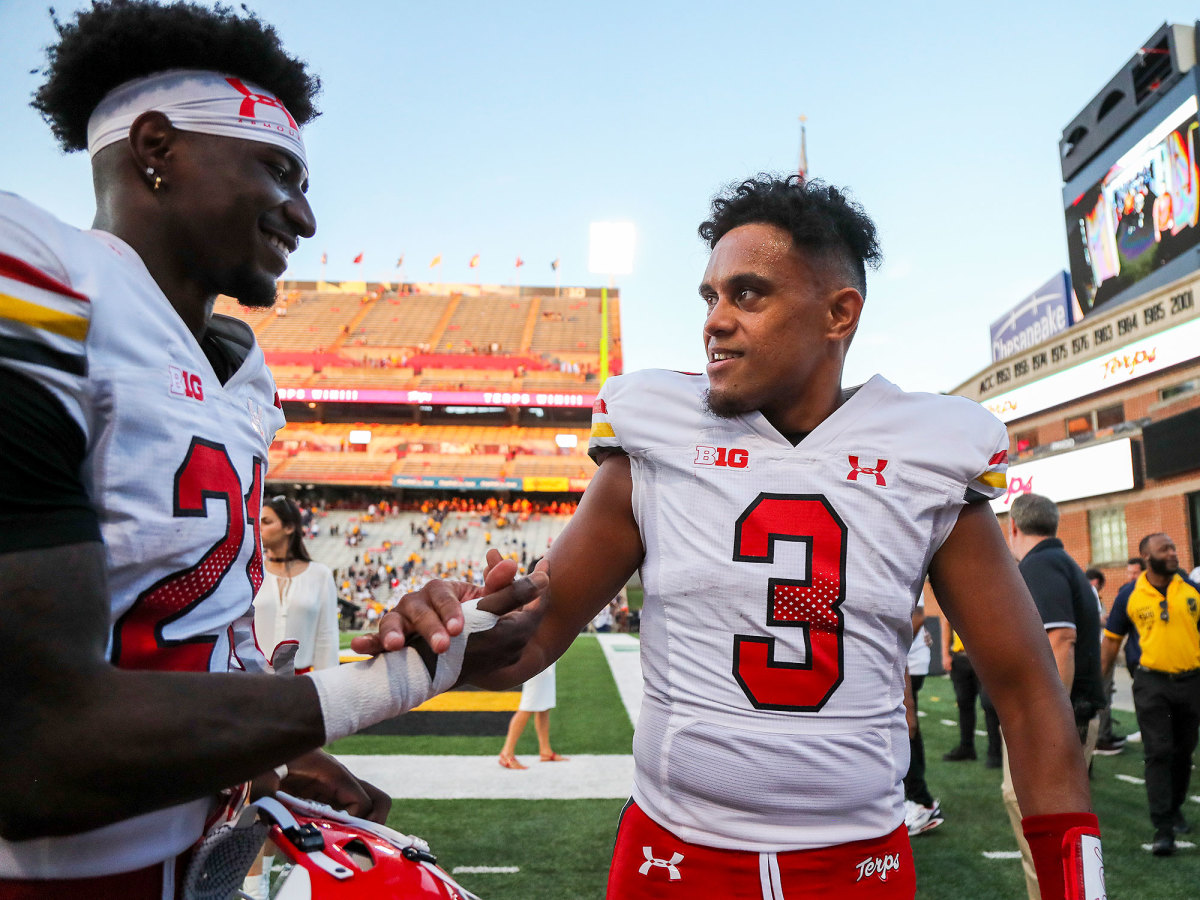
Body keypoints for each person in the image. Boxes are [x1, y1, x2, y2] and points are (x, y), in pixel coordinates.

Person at [371, 175, 1103, 899]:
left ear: (838, 313)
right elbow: (531, 641)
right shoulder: (654, 434)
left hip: (856, 868)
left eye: (747, 294)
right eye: (711, 297)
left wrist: (1080, 888)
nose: (715, 319)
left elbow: (1030, 697)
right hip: (675, 860)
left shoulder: (925, 452)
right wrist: (451, 630)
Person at [0, 3, 538, 895]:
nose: (305, 214)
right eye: (279, 171)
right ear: (157, 148)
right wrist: (407, 678)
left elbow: (179, 634)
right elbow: (28, 751)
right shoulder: (43, 286)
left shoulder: (237, 372)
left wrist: (277, 757)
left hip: (194, 849)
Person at [1002, 493, 1105, 900]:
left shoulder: (1041, 563)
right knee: (1057, 832)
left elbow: (1061, 638)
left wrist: (1047, 718)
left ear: (1014, 527)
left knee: (1048, 830)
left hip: (1062, 716)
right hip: (1073, 711)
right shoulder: (1060, 562)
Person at [1100, 532, 1200, 856]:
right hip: (1151, 683)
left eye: (1173, 547)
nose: (1173, 553)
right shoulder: (1129, 594)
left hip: (1191, 682)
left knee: (1183, 752)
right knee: (1158, 751)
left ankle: (1173, 806)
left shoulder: (1192, 591)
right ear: (1146, 557)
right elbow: (1112, 641)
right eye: (1165, 549)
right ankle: (1163, 828)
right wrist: (1096, 684)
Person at [254, 495, 340, 674]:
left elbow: (327, 639)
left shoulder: (320, 575)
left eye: (266, 521)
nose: (258, 526)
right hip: (252, 684)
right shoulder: (251, 572)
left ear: (289, 527)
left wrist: (325, 692)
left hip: (300, 685)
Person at [902, 599, 943, 836]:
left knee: (905, 728)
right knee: (909, 730)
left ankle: (921, 801)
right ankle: (918, 798)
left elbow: (917, 616)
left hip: (909, 666)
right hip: (909, 662)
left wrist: (897, 645)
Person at [940, 621, 1002, 767]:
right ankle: (966, 747)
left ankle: (995, 753)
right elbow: (945, 622)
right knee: (963, 703)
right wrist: (945, 654)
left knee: (989, 705)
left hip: (984, 656)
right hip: (960, 655)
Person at [497, 662, 568, 769]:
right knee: (527, 707)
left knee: (545, 705)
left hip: (547, 658)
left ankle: (546, 750)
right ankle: (506, 753)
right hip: (537, 660)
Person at [1086, 567, 1126, 756]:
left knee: (1105, 692)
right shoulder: (1089, 591)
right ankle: (1101, 738)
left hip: (1095, 649)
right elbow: (1094, 619)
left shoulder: (1083, 590)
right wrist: (1110, 621)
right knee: (1102, 693)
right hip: (1097, 650)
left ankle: (1105, 735)